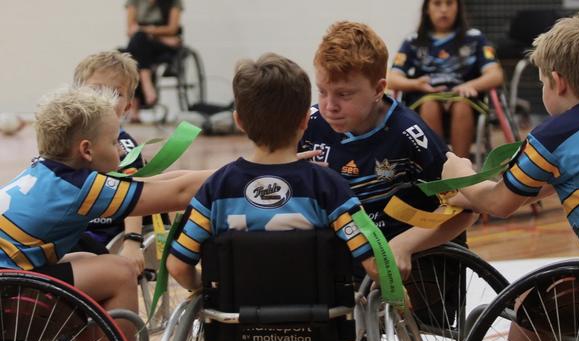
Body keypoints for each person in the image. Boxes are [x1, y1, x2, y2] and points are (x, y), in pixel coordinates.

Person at [442, 14, 579, 341]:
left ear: (557, 81)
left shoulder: (552, 136)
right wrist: (464, 195)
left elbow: (501, 203)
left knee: (532, 301)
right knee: (564, 299)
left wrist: (459, 173)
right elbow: (555, 185)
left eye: (541, 83)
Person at [0, 85, 211, 341]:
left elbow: (159, 184)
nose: (119, 151)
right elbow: (180, 193)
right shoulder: (79, 188)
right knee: (118, 271)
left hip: (9, 280)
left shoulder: (48, 171)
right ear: (87, 150)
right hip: (7, 290)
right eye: (113, 142)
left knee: (89, 260)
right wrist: (244, 173)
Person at [166, 53, 380, 291]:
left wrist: (204, 289)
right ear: (305, 120)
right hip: (316, 320)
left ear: (239, 121)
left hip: (235, 321)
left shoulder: (217, 187)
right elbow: (373, 263)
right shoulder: (328, 186)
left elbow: (177, 266)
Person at [299, 20, 477, 280]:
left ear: (379, 89)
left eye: (344, 95)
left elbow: (465, 209)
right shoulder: (309, 124)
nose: (329, 106)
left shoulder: (410, 134)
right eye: (323, 92)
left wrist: (407, 244)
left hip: (415, 257)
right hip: (347, 255)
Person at [387, 0, 503, 159]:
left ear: (458, 8)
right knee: (429, 105)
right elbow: (392, 79)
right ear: (427, 9)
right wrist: (416, 84)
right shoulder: (413, 40)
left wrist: (471, 84)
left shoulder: (475, 38)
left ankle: (462, 172)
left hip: (464, 96)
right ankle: (439, 169)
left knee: (462, 105)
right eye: (437, 3)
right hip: (426, 95)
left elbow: (496, 75)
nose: (443, 9)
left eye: (449, 3)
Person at [73, 50, 146, 273]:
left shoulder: (124, 147)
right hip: (69, 227)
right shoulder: (68, 137)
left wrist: (133, 241)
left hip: (102, 234)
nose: (105, 98)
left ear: (127, 107)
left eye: (116, 92)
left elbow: (135, 196)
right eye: (96, 89)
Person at [124, 0, 183, 122]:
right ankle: (147, 84)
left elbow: (172, 29)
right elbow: (130, 30)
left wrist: (147, 31)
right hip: (143, 43)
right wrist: (149, 32)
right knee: (136, 44)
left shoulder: (173, 2)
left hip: (161, 47)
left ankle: (136, 103)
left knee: (138, 42)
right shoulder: (134, 2)